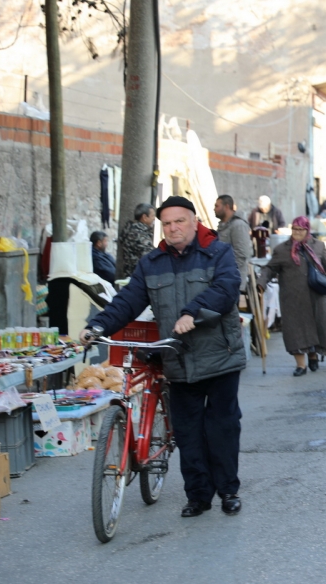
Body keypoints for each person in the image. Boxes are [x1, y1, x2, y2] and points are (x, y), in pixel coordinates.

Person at [81, 195, 246, 517]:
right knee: (187, 432)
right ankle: (198, 496)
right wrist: (98, 325)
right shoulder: (151, 263)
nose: (173, 228)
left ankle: (228, 490)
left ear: (194, 221)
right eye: (167, 223)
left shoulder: (218, 253)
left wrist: (192, 312)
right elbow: (128, 301)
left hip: (220, 357)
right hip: (178, 358)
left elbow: (227, 289)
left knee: (221, 428)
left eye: (179, 221)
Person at [258, 216, 326, 376]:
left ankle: (313, 354)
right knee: (295, 331)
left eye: (300, 229)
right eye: (294, 229)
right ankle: (300, 365)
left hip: (316, 296)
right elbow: (269, 268)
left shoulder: (318, 246)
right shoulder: (282, 249)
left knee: (315, 328)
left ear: (307, 230)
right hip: (292, 299)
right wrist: (261, 282)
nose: (296, 232)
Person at [214, 194, 251, 289]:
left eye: (217, 206)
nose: (214, 209)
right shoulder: (223, 226)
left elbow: (242, 254)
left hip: (233, 281)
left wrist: (228, 271)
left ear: (226, 206)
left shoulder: (238, 225)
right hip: (223, 279)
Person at [117, 202, 155, 278]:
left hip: (130, 274)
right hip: (137, 276)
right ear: (144, 217)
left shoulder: (131, 228)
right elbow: (150, 255)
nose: (154, 218)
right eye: (152, 215)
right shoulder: (139, 233)